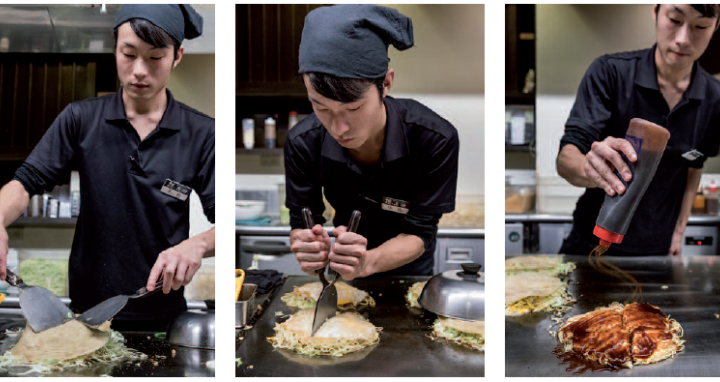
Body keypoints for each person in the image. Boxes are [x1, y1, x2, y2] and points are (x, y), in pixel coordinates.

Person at [0, 4, 215, 330]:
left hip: (165, 317)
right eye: (128, 54)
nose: (139, 70)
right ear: (115, 49)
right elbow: (25, 182)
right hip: (88, 319)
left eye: (155, 57)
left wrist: (197, 245)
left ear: (177, 56)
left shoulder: (202, 133)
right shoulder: (80, 119)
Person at [285, 5, 459, 279]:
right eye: (321, 108)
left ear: (386, 84)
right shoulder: (303, 141)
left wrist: (369, 262)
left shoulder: (434, 138)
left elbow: (420, 230)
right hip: (344, 265)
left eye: (353, 109)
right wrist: (307, 244)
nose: (338, 128)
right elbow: (302, 220)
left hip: (409, 271)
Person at [556, 4, 720, 256]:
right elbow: (567, 158)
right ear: (655, 12)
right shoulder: (609, 73)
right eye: (674, 20)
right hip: (590, 245)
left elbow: (694, 165)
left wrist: (679, 231)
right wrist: (591, 169)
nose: (683, 39)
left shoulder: (714, 98)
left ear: (716, 27)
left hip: (656, 250)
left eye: (700, 26)